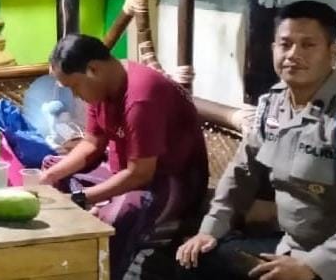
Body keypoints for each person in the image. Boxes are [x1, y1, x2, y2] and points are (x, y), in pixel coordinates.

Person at [176, 0, 336, 280]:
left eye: (308, 45)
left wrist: (313, 267)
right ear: (274, 49)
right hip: (292, 250)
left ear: (333, 54)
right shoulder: (272, 106)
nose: (293, 54)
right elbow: (242, 173)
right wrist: (210, 229)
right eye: (285, 44)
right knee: (195, 258)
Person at [40, 33, 209, 277]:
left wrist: (80, 198)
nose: (75, 95)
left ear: (93, 69)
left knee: (115, 218)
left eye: (74, 87)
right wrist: (50, 176)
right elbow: (92, 143)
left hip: (167, 181)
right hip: (123, 171)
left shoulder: (141, 98)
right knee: (51, 168)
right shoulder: (102, 87)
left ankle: (103, 272)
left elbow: (140, 174)